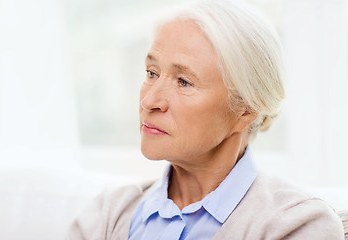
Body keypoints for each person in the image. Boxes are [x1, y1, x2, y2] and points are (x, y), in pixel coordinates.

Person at [67, 0, 344, 239]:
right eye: (151, 73)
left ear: (246, 110)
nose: (149, 101)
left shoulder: (299, 225)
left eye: (184, 82)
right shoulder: (105, 216)